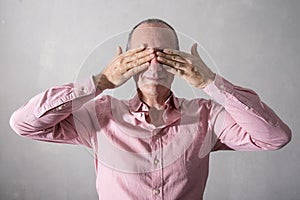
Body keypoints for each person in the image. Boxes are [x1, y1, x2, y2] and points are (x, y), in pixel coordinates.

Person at [10, 18, 291, 200]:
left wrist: (210, 82)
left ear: (181, 62)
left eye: (165, 54)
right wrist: (101, 81)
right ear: (126, 60)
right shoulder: (100, 115)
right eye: (142, 54)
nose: (154, 63)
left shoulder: (206, 116)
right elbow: (23, 124)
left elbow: (275, 137)